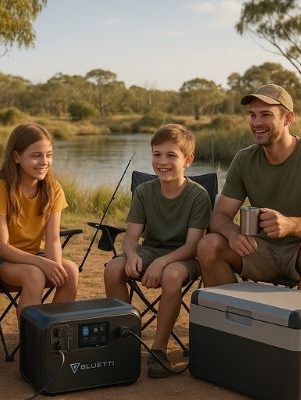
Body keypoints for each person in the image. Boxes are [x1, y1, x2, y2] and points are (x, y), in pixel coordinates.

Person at [196, 84, 301, 295]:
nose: (256, 123)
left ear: (287, 118)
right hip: (260, 251)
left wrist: (291, 224)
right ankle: (235, 325)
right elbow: (219, 216)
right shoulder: (244, 159)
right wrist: (233, 234)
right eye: (252, 115)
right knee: (208, 245)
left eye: (265, 115)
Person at [102, 124, 212, 378]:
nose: (162, 162)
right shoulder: (144, 191)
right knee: (113, 268)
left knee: (172, 275)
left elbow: (193, 245)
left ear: (188, 160)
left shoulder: (198, 196)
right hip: (150, 250)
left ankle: (159, 348)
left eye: (171, 155)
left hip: (184, 256)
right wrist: (131, 255)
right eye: (156, 154)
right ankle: (123, 341)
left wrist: (161, 263)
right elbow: (131, 237)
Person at [0, 123, 79, 322]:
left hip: (34, 255)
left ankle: (52, 333)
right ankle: (31, 344)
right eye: (36, 155)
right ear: (16, 157)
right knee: (34, 275)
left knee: (70, 272)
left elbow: (52, 240)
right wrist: (43, 263)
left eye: (49, 154)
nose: (44, 161)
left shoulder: (53, 189)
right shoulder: (0, 189)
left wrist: (55, 266)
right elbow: (3, 248)